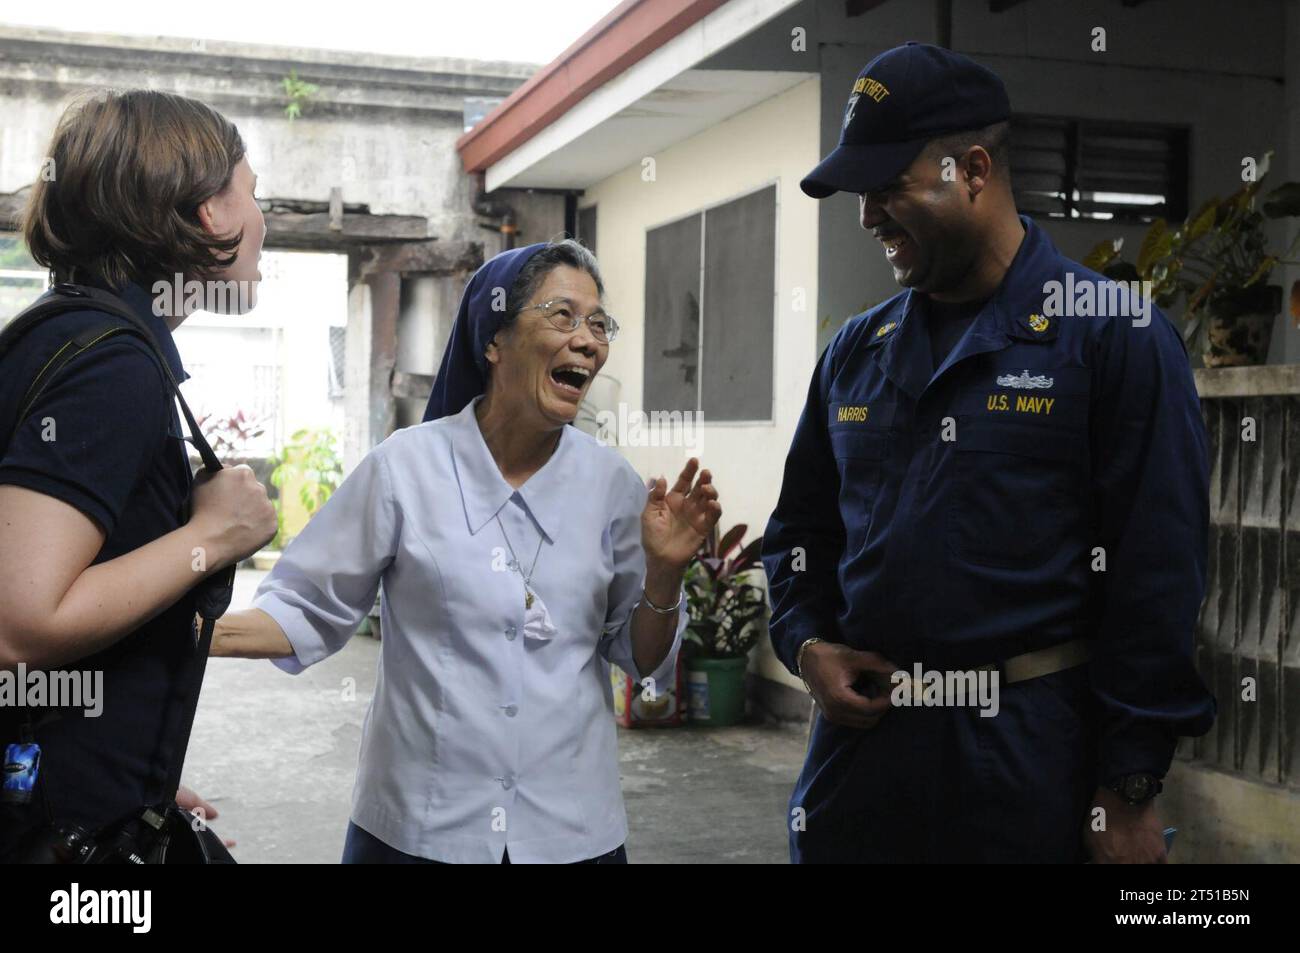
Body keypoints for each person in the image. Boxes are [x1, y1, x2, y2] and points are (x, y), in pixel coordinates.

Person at [761, 42, 1215, 863]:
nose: (867, 217)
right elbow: (799, 531)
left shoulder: (1113, 337)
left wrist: (1131, 787)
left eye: (888, 187)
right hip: (864, 760)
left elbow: (1158, 575)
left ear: (971, 170)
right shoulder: (855, 352)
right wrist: (806, 644)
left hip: (1027, 760)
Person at [212, 239, 722, 863]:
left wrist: (666, 574)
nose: (587, 340)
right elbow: (304, 605)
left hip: (570, 833)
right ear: (494, 340)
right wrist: (182, 629)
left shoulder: (614, 486)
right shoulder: (406, 468)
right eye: (562, 315)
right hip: (416, 830)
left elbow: (639, 658)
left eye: (597, 323)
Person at [0, 90, 277, 859]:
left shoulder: (76, 336)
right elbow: (20, 628)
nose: (264, 222)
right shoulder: (113, 364)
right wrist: (214, 535)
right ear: (206, 213)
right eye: (253, 196)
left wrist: (118, 772)